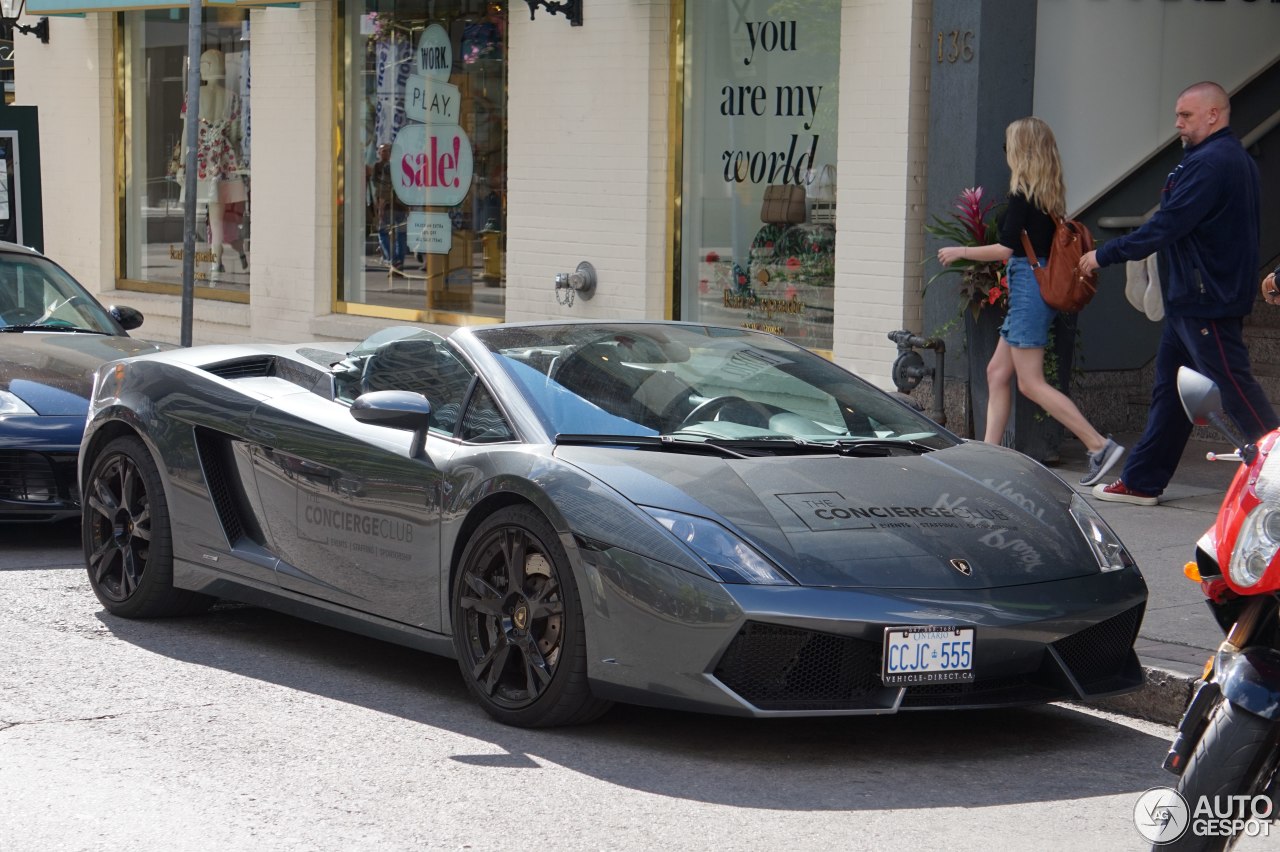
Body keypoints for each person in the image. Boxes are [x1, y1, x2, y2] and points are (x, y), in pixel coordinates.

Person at [1079, 81, 1277, 506]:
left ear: (1214, 114)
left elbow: (1168, 223)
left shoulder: (1213, 163)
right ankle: (1143, 481)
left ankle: (1276, 469)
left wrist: (1104, 254)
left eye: (1186, 116)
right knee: (1170, 393)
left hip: (1205, 300)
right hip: (1192, 297)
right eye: (1177, 115)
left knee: (1235, 389)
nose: (1178, 124)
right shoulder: (1222, 159)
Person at [938, 117, 1124, 486]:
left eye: (1008, 147)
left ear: (1021, 151)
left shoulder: (1024, 195)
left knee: (1031, 383)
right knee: (996, 372)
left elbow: (1007, 249)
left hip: (1028, 290)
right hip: (1031, 288)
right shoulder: (1047, 194)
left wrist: (960, 251)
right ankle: (988, 456)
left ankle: (1098, 444)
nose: (1006, 154)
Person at [178, 49, 244, 273]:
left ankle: (193, 261)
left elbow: (187, 132)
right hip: (223, 159)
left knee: (193, 213)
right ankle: (216, 263)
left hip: (200, 158)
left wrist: (181, 165)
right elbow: (235, 136)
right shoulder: (232, 98)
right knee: (216, 217)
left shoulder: (193, 95)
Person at [371, 143, 408, 271]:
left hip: (390, 205)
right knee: (401, 234)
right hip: (401, 205)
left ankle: (393, 260)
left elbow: (383, 188)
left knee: (383, 232)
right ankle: (398, 262)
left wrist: (381, 205)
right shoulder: (405, 166)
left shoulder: (388, 167)